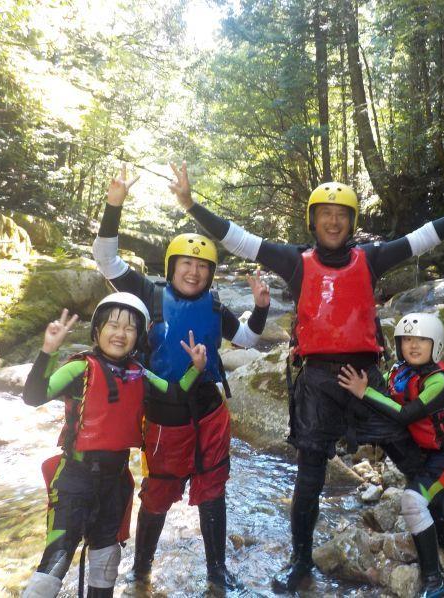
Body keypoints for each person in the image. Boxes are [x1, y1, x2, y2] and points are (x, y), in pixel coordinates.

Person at [171, 161, 444, 592]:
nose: (333, 221)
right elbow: (239, 238)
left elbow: (421, 239)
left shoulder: (371, 258)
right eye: (325, 213)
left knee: (411, 460)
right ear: (313, 220)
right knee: (308, 477)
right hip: (317, 384)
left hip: (365, 377)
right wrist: (191, 205)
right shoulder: (294, 261)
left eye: (341, 215)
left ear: (351, 222)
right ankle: (300, 562)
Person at [91, 166, 270, 591]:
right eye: (186, 264)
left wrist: (261, 307)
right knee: (158, 494)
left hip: (209, 410)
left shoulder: (214, 305)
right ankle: (141, 571)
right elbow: (105, 259)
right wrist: (114, 204)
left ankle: (216, 573)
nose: (194, 272)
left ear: (211, 272)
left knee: (213, 489)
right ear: (172, 266)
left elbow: (246, 338)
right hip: (163, 416)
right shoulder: (147, 293)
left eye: (202, 266)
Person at [21, 293, 207, 598]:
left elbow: (175, 394)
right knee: (58, 556)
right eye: (113, 325)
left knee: (107, 560)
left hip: (115, 481)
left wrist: (195, 369)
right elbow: (33, 396)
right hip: (75, 478)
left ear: (138, 337)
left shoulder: (139, 373)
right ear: (97, 331)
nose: (120, 334)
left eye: (129, 328)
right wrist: (48, 351)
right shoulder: (80, 368)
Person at [338, 312, 444, 597]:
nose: (413, 346)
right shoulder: (399, 373)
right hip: (428, 453)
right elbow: (385, 399)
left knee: (413, 501)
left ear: (435, 344)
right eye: (406, 340)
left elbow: (405, 414)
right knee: (425, 491)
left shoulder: (441, 382)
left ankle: (434, 579)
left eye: (421, 340)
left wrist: (364, 392)